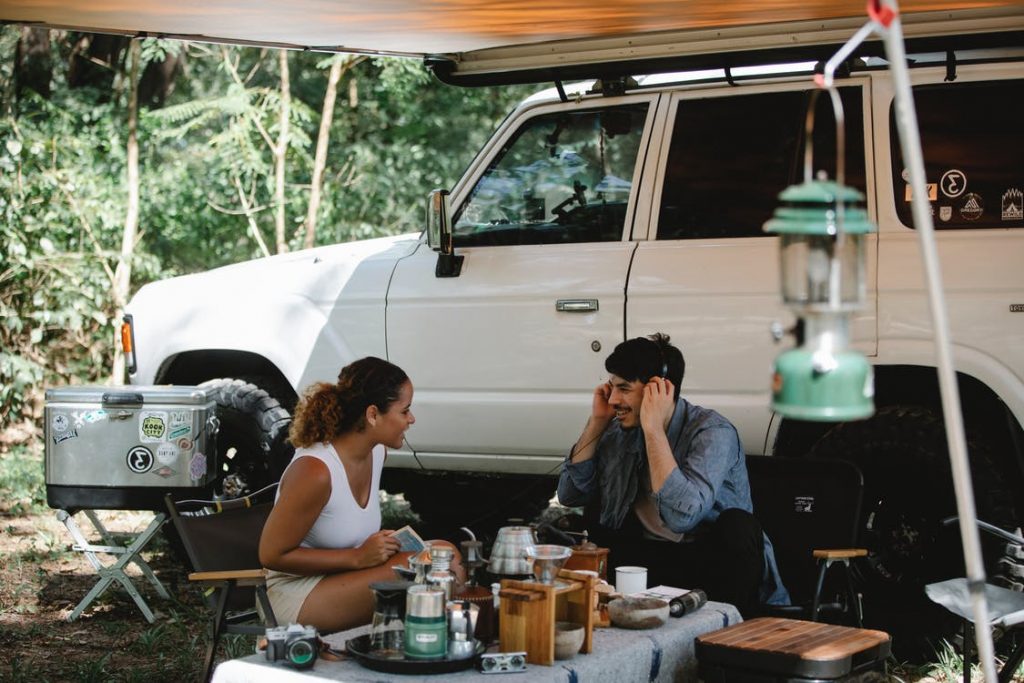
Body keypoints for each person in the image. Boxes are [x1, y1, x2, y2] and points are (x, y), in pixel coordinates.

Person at [557, 333, 789, 616]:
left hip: (708, 559)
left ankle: (726, 635)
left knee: (738, 526)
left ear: (659, 389)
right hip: (649, 558)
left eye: (624, 389)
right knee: (597, 520)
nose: (614, 399)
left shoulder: (713, 432)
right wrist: (596, 423)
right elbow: (569, 495)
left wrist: (654, 429)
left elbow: (682, 517)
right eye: (611, 387)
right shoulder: (619, 430)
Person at [259, 356, 463, 632]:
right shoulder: (316, 471)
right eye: (404, 411)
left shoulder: (377, 453)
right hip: (294, 594)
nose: (411, 419)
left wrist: (378, 546)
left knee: (444, 553)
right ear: (372, 415)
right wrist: (357, 557)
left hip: (342, 578)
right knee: (423, 571)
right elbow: (272, 555)